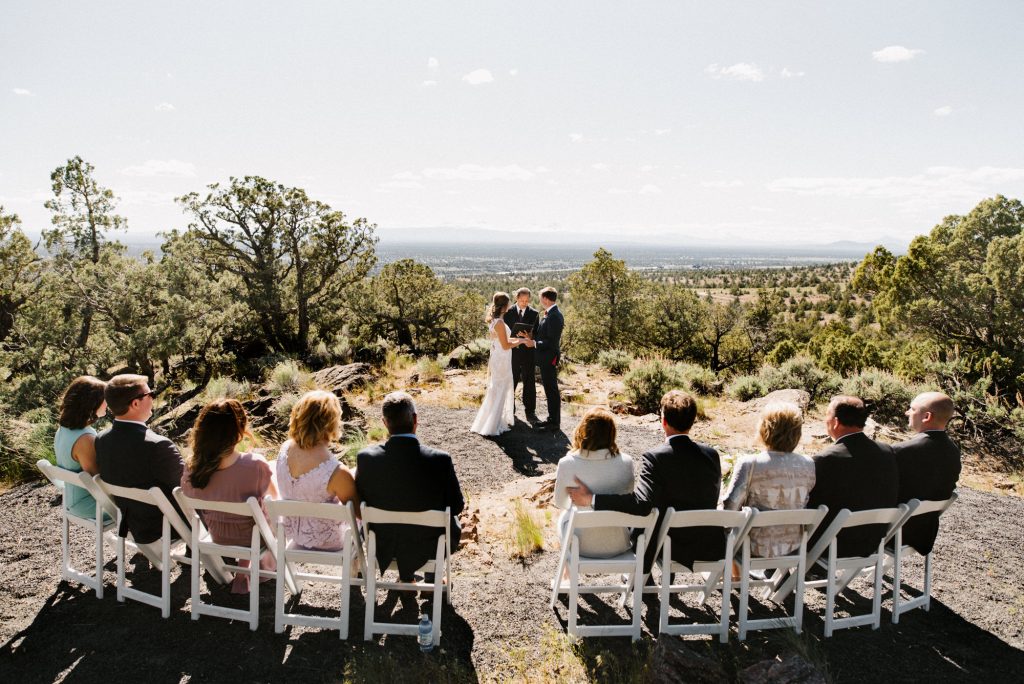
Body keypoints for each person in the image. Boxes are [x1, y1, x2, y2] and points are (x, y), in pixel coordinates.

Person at [568, 390, 723, 572]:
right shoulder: (711, 455)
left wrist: (591, 499)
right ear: (692, 421)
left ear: (663, 422)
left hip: (669, 545)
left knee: (645, 523)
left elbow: (642, 503)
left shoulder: (655, 458)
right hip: (709, 544)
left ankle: (642, 578)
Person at [356, 391, 465, 581]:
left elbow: (362, 501)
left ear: (385, 423)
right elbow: (456, 506)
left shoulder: (366, 459)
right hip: (427, 545)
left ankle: (407, 577)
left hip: (384, 544)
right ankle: (433, 577)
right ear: (415, 419)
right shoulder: (440, 460)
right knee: (448, 520)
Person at [179, 399, 276, 593]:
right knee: (271, 502)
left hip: (218, 536)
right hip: (255, 539)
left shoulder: (192, 469)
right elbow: (274, 500)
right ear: (239, 430)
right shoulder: (255, 465)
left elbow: (191, 493)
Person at [96, 374, 186, 545]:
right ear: (135, 403)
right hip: (167, 525)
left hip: (132, 523)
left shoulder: (101, 440)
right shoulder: (158, 445)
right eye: (150, 394)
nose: (153, 398)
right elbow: (187, 488)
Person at [806, 395, 899, 557]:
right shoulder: (886, 451)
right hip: (870, 543)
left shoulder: (826, 459)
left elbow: (812, 503)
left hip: (830, 545)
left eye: (826, 415)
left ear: (835, 422)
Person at [721, 402, 815, 558]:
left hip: (752, 547)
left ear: (765, 429)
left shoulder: (750, 463)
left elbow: (729, 509)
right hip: (791, 546)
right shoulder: (808, 464)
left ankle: (735, 579)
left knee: (722, 529)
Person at [276, 390, 359, 551]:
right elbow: (358, 514)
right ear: (331, 422)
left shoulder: (284, 449)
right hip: (330, 542)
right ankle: (358, 571)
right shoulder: (336, 471)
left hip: (294, 534)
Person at [553, 407, 635, 557]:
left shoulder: (567, 463)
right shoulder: (627, 462)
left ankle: (566, 572)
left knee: (563, 516)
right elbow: (627, 498)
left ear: (583, 430)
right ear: (612, 433)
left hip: (580, 546)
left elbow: (560, 502)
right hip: (618, 543)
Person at [893, 392, 961, 555]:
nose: (907, 413)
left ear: (926, 416)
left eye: (912, 409)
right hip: (923, 535)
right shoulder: (954, 452)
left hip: (892, 532)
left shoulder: (901, 451)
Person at [470, 291, 525, 437]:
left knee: (497, 388)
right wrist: (519, 341)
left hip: (499, 356)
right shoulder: (499, 323)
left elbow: (503, 342)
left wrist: (520, 340)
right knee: (500, 388)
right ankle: (492, 424)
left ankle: (493, 419)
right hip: (501, 358)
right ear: (505, 305)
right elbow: (506, 345)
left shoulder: (495, 320)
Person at [53, 376, 108, 520]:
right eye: (105, 398)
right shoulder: (85, 439)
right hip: (90, 505)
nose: (107, 402)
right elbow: (98, 480)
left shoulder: (63, 430)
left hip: (73, 501)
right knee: (139, 506)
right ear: (92, 403)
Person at [521, 286, 563, 432]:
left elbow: (551, 342)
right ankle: (551, 419)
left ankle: (554, 422)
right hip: (544, 357)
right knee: (549, 388)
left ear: (545, 299)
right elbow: (542, 335)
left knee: (551, 390)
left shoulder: (555, 316)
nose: (539, 300)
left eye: (540, 298)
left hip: (549, 357)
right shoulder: (549, 314)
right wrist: (530, 336)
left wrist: (534, 343)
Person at [503, 287, 539, 422]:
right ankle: (509, 410)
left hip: (528, 353)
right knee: (510, 381)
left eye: (527, 300)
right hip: (511, 352)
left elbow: (536, 333)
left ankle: (530, 412)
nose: (524, 303)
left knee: (529, 382)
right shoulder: (508, 312)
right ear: (516, 298)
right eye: (522, 300)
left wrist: (529, 335)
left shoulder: (534, 313)